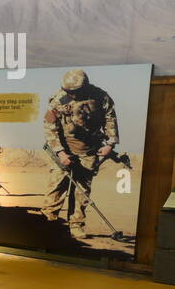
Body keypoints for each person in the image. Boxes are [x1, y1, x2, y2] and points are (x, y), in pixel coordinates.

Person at [40, 69, 120, 239]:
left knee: (82, 191)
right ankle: (49, 221)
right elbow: (49, 127)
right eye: (68, 91)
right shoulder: (57, 100)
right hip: (63, 150)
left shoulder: (100, 97)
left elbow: (110, 118)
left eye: (74, 92)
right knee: (57, 186)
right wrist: (60, 152)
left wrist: (110, 144)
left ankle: (76, 225)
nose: (71, 94)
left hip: (88, 150)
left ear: (84, 87)